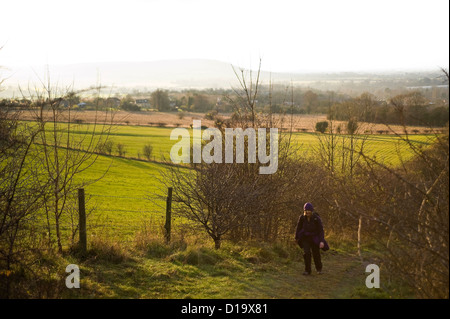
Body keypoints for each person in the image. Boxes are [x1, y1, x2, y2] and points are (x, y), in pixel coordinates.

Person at [295, 202, 329, 275]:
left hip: (314, 238)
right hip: (305, 238)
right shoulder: (302, 218)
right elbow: (298, 228)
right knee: (306, 253)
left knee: (316, 253)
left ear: (312, 211)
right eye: (306, 210)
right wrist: (296, 238)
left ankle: (319, 269)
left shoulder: (316, 218)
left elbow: (321, 230)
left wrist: (321, 241)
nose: (307, 212)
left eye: (309, 210)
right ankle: (307, 270)